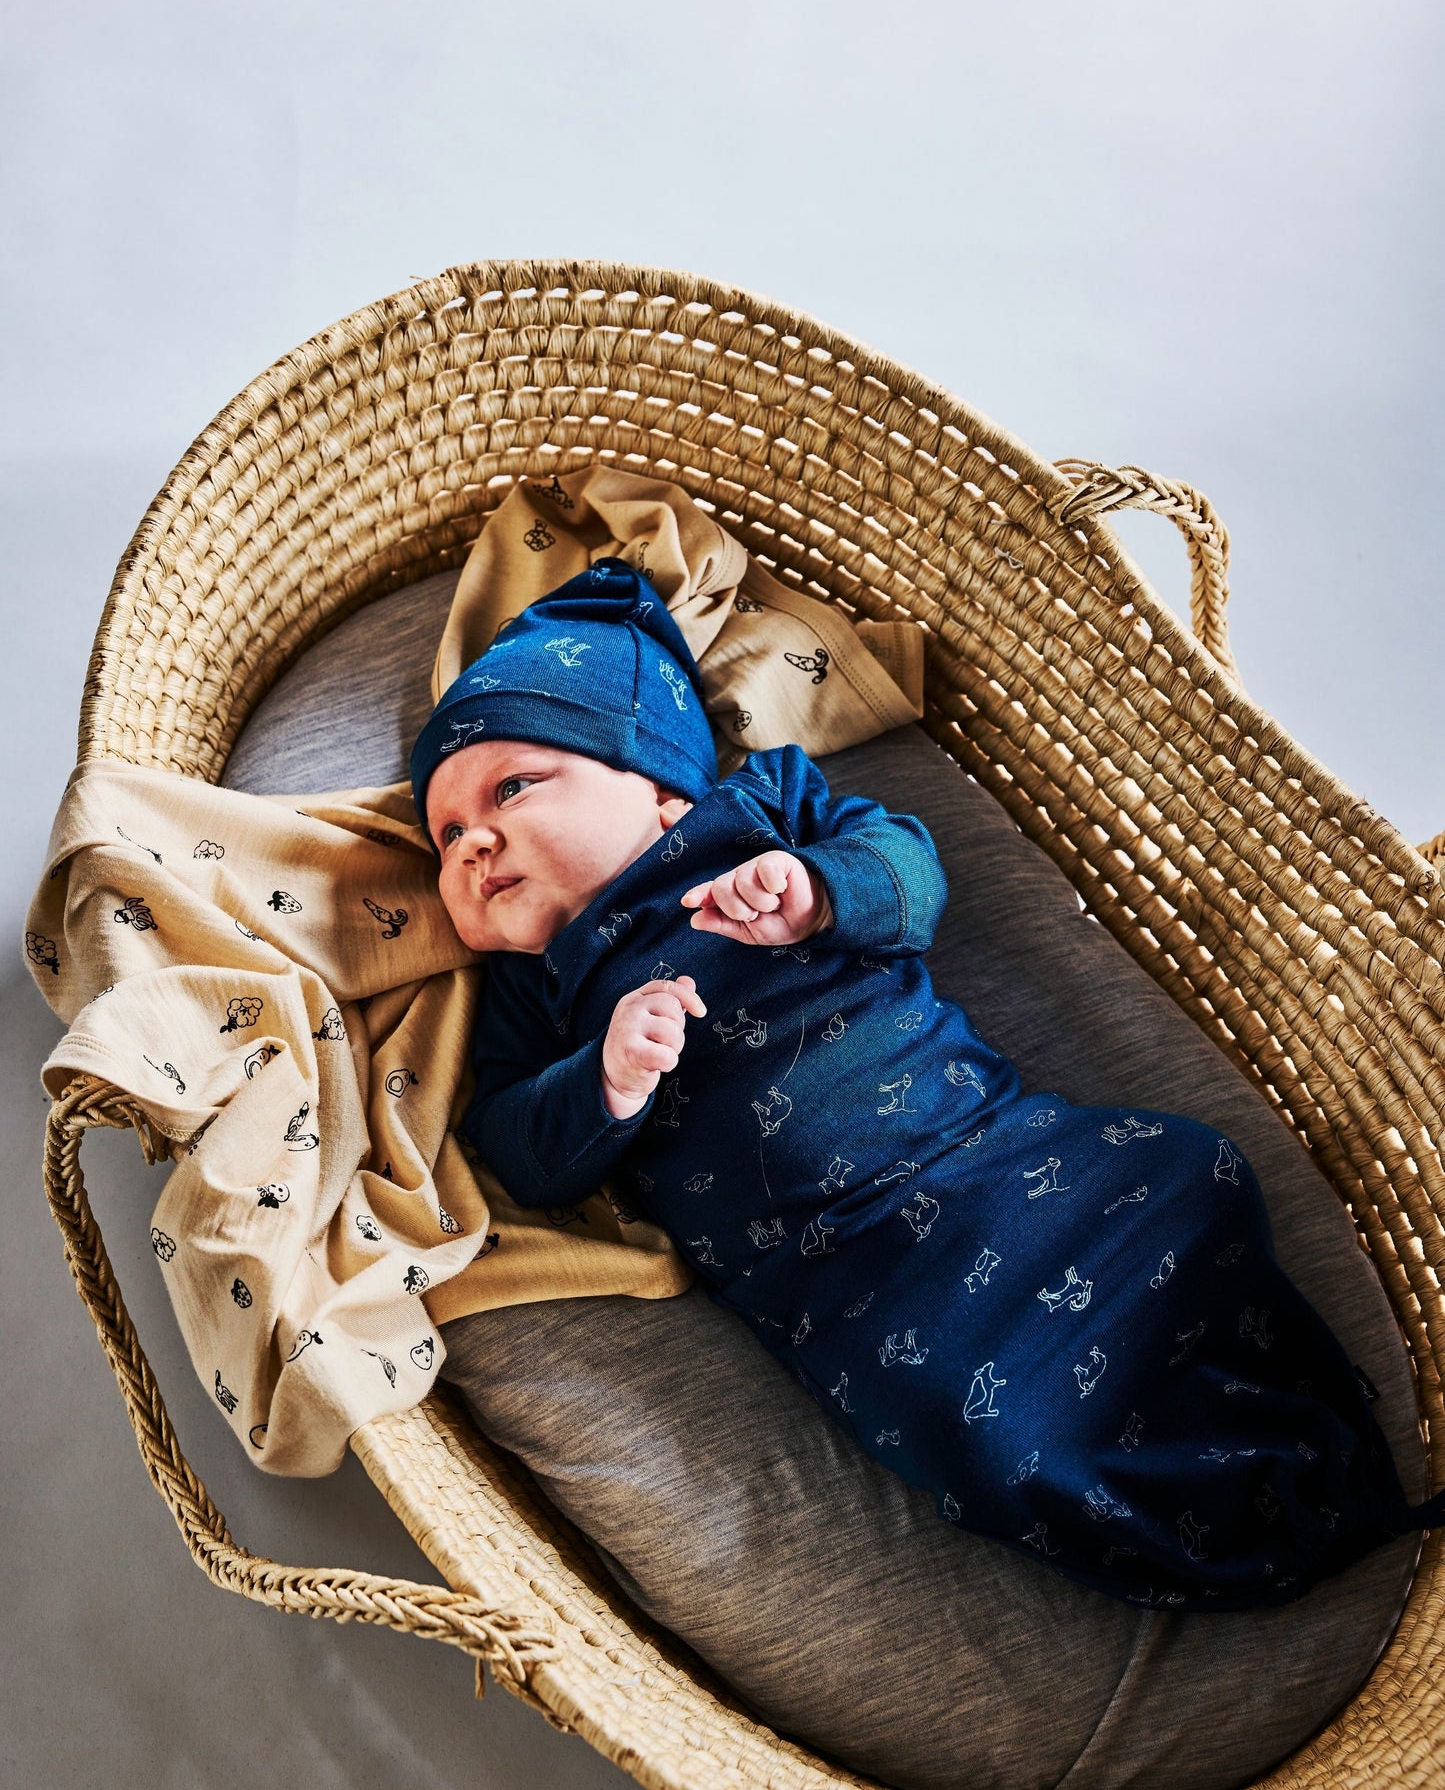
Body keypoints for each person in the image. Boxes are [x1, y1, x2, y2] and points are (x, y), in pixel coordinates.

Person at [410, 557, 1442, 1610]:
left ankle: (1289, 1419)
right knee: (973, 1416)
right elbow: (518, 1145)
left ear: (661, 786)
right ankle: (1216, 1521)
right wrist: (605, 1080)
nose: (473, 841)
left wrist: (818, 892)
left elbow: (908, 865)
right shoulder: (538, 987)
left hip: (994, 1148)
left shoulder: (763, 810)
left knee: (1189, 1169)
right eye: (443, 835)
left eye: (510, 788)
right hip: (850, 1273)